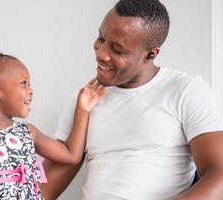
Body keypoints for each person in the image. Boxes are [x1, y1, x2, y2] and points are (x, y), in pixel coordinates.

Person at [41, 0, 223, 200]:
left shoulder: (186, 91)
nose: (101, 54)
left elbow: (219, 176)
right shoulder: (86, 99)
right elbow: (43, 189)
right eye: (101, 38)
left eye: (117, 50)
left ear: (150, 54)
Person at [0, 53, 106, 200]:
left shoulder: (28, 132)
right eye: (24, 83)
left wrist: (82, 110)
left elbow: (71, 155)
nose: (31, 90)